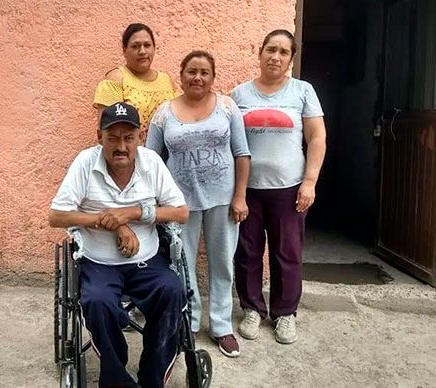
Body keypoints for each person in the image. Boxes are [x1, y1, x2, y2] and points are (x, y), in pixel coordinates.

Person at [49, 102, 189, 388]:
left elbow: (180, 212)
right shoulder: (86, 163)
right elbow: (57, 215)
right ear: (99, 136)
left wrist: (133, 213)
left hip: (147, 259)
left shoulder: (151, 162)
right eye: (112, 137)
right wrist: (110, 222)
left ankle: (152, 377)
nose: (121, 146)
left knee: (173, 291)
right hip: (99, 263)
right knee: (97, 302)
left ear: (140, 136)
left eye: (128, 137)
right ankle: (116, 380)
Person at [146, 50, 251, 358]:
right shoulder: (164, 113)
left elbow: (242, 153)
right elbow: (151, 160)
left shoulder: (228, 108)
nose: (198, 77)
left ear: (213, 77)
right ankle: (188, 323)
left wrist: (240, 196)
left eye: (204, 72)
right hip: (179, 203)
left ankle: (221, 327)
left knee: (222, 263)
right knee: (182, 265)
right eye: (192, 71)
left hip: (222, 199)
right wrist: (157, 202)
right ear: (181, 75)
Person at [232, 29, 326, 344]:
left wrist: (309, 182)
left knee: (288, 253)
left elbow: (317, 138)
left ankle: (285, 314)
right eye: (271, 49)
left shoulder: (302, 91)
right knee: (247, 251)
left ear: (291, 59)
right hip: (248, 189)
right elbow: (231, 142)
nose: (276, 57)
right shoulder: (240, 94)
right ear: (259, 53)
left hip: (289, 188)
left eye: (284, 52)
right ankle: (251, 309)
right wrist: (236, 192)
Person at [93, 23, 178, 138]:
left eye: (147, 45)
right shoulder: (116, 79)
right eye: (135, 46)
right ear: (124, 50)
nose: (142, 51)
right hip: (130, 153)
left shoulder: (166, 81)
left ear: (154, 48)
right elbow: (106, 132)